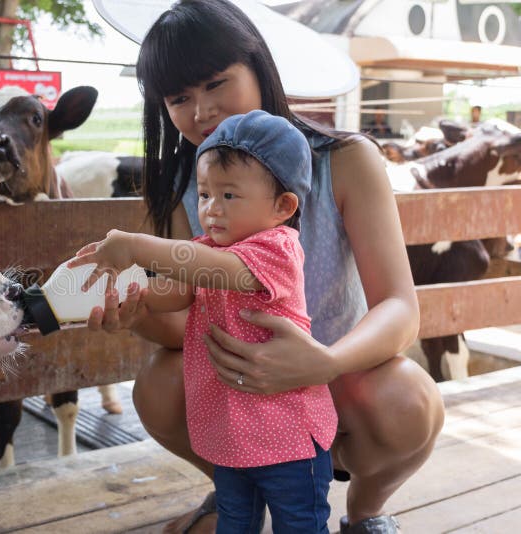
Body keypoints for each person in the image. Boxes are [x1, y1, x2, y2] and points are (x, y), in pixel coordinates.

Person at [84, 2, 444, 533]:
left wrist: (324, 362)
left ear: (259, 67)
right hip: (241, 385)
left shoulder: (345, 160)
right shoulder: (189, 188)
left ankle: (365, 511)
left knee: (408, 399)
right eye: (179, 97)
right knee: (157, 384)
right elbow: (189, 311)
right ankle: (237, 488)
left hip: (340, 379)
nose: (201, 110)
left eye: (215, 83)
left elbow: (398, 308)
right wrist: (135, 312)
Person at [71, 110, 336, 532]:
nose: (212, 209)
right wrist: (131, 297)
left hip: (287, 436)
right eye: (206, 194)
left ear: (282, 206)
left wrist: (135, 246)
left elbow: (208, 268)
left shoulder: (277, 249)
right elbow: (180, 290)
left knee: (300, 523)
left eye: (229, 196)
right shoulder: (210, 250)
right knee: (233, 520)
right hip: (231, 435)